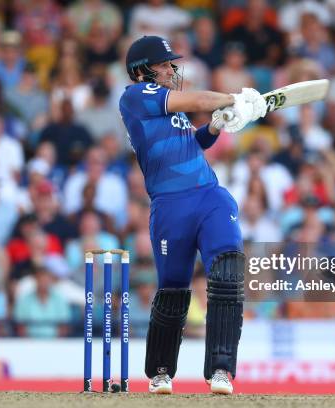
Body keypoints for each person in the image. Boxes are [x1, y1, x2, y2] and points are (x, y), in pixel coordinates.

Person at [119, 35, 266, 395]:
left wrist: (216, 126)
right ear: (142, 71)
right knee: (173, 288)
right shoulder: (135, 96)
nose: (172, 69)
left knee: (228, 272)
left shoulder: (172, 110)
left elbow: (193, 143)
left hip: (209, 196)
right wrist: (236, 98)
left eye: (172, 63)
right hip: (170, 206)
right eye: (166, 64)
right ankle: (161, 372)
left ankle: (221, 370)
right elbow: (201, 97)